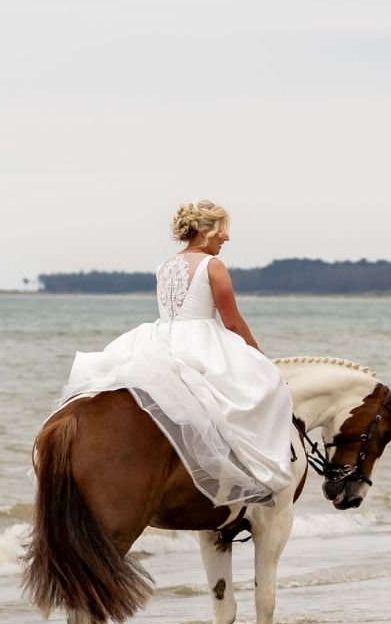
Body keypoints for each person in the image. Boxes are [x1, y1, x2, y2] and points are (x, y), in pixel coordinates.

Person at [54, 200, 293, 507]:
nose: (226, 238)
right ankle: (256, 477)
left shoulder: (164, 266)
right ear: (205, 231)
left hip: (161, 337)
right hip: (200, 339)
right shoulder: (213, 266)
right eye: (223, 230)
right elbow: (232, 322)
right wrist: (259, 357)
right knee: (264, 388)